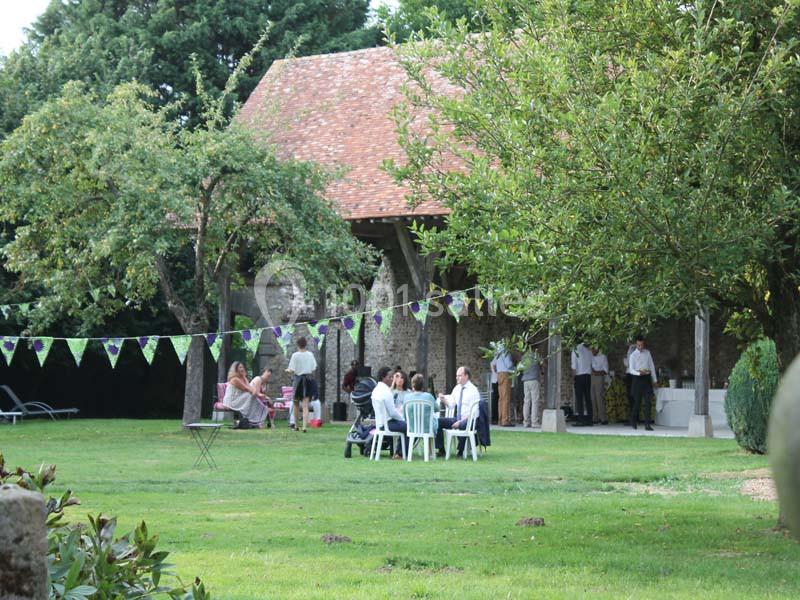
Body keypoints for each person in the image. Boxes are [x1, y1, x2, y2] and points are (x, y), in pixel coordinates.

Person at [437, 366, 481, 456]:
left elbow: (475, 413)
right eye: (457, 375)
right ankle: (441, 450)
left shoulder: (473, 390)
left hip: (469, 421)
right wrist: (443, 399)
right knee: (437, 421)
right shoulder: (457, 388)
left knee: (463, 425)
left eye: (459, 375)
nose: (457, 377)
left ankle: (460, 451)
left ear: (466, 376)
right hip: (457, 418)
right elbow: (451, 405)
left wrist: (460, 422)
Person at [371, 366, 408, 459]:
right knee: (410, 427)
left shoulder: (376, 390)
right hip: (388, 424)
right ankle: (400, 454)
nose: (392, 379)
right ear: (383, 377)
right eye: (390, 377)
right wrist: (403, 419)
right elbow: (392, 413)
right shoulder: (386, 391)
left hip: (380, 424)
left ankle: (399, 452)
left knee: (405, 426)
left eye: (392, 377)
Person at [223, 362, 270, 428]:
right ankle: (253, 421)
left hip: (240, 398)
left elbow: (250, 388)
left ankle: (255, 421)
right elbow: (246, 389)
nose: (242, 369)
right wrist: (257, 394)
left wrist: (257, 393)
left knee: (252, 396)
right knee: (250, 395)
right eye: (240, 367)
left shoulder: (244, 378)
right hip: (232, 400)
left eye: (242, 367)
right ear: (235, 370)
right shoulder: (234, 379)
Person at [287, 336, 317, 432]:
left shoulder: (295, 355)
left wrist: (287, 370)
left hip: (298, 380)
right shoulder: (310, 354)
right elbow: (313, 368)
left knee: (296, 404)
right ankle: (304, 427)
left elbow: (291, 369)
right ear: (306, 344)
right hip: (308, 379)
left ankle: (296, 426)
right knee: (305, 405)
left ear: (297, 345)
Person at [628, 335, 658, 430]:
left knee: (648, 402)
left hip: (647, 379)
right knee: (637, 402)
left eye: (642, 345)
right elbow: (631, 369)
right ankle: (633, 420)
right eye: (638, 345)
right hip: (637, 379)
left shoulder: (647, 353)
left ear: (644, 344)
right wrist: (638, 373)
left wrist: (655, 380)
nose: (640, 347)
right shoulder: (633, 355)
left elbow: (652, 366)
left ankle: (647, 424)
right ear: (636, 344)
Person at [404, 373, 440, 439]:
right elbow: (437, 409)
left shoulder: (407, 398)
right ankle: (431, 448)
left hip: (412, 429)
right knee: (434, 418)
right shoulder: (428, 396)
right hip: (428, 429)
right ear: (423, 386)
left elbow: (405, 416)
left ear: (413, 386)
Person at [571, 341, 593, 426]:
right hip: (588, 375)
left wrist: (573, 378)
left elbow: (574, 366)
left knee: (579, 399)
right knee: (588, 398)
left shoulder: (575, 349)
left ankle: (580, 420)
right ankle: (590, 419)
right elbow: (591, 362)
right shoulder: (588, 350)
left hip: (579, 376)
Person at [494, 344, 515, 426]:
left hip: (499, 374)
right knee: (506, 398)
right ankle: (505, 420)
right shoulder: (506, 352)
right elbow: (509, 364)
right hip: (505, 374)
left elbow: (494, 364)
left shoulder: (497, 353)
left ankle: (500, 419)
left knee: (501, 398)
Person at [520, 349, 542, 428]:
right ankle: (534, 422)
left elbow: (521, 368)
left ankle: (525, 422)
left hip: (525, 381)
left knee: (526, 401)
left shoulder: (523, 357)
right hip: (534, 380)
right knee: (535, 401)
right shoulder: (536, 355)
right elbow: (542, 364)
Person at [590, 348, 609, 425]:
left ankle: (603, 418)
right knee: (592, 398)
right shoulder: (590, 356)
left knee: (599, 397)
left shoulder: (603, 356)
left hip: (599, 377)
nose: (592, 350)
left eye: (593, 349)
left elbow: (605, 371)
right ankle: (595, 418)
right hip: (591, 377)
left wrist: (596, 372)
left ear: (597, 349)